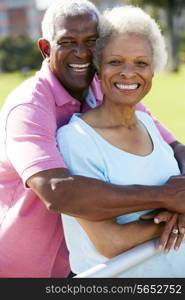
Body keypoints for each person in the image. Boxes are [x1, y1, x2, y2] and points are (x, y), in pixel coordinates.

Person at [0, 0, 185, 278]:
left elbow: (174, 148)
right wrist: (166, 197)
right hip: (20, 269)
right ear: (46, 48)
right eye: (67, 41)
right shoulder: (29, 106)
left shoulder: (104, 87)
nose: (82, 52)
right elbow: (56, 191)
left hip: (78, 265)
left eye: (91, 41)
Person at [57, 5, 185, 277]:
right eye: (115, 61)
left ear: (153, 70)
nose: (129, 73)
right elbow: (109, 242)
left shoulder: (148, 124)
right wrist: (178, 218)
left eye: (141, 63)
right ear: (98, 67)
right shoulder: (77, 139)